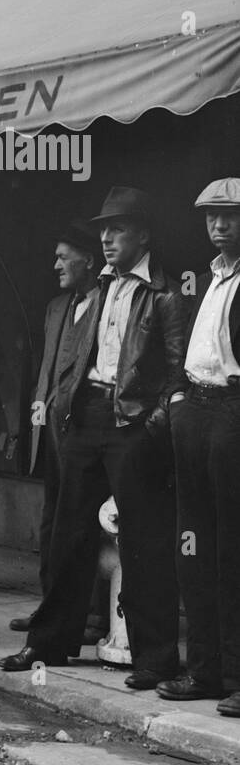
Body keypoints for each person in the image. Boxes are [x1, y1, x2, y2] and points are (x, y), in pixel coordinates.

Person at [0, 186, 185, 687]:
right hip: (85, 417)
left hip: (131, 423)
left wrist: (151, 425)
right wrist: (65, 408)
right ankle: (50, 643)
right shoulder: (100, 288)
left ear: (143, 235)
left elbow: (176, 373)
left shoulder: (164, 294)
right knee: (69, 534)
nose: (106, 239)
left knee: (143, 541)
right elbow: (80, 355)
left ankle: (155, 658)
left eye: (117, 229)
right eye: (103, 230)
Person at [161, 178, 240, 716]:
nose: (218, 225)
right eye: (211, 216)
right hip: (195, 410)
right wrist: (177, 398)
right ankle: (204, 672)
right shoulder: (208, 279)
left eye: (229, 216)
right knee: (194, 544)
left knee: (231, 548)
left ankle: (236, 678)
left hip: (233, 413)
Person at [9, 222, 102, 637]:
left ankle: (89, 615)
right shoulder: (55, 307)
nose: (56, 264)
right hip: (50, 430)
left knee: (83, 525)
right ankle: (51, 609)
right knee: (51, 524)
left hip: (84, 430)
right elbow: (47, 368)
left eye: (64, 257)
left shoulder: (108, 302)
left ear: (89, 261)